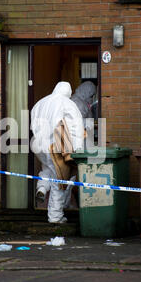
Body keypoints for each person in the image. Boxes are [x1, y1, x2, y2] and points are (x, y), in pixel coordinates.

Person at [30, 82, 85, 223]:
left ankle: (41, 187)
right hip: (55, 146)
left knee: (47, 169)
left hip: (37, 144)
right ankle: (55, 216)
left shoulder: (40, 103)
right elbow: (76, 128)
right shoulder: (68, 104)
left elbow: (33, 124)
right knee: (60, 179)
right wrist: (77, 151)